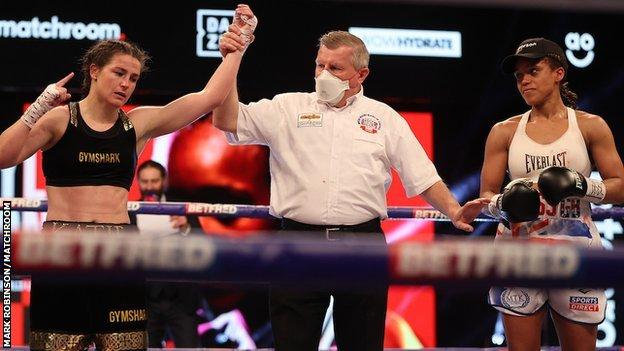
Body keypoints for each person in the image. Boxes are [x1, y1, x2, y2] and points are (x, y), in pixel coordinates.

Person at [215, 10, 488, 350]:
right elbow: (226, 120)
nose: (323, 74)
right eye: (319, 65)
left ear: (361, 75)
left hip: (363, 244)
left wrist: (454, 211)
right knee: (292, 345)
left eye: (335, 68)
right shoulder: (287, 108)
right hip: (298, 242)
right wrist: (232, 58)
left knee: (362, 345)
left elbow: (422, 175)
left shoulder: (385, 118)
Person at [0, 4, 255, 350]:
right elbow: (5, 156)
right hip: (62, 249)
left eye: (133, 78)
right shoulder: (59, 120)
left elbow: (209, 98)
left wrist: (237, 49)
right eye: (119, 73)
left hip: (119, 250)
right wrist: (39, 108)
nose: (126, 84)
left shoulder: (137, 124)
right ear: (93, 70)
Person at [481, 37, 624, 350]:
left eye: (533, 70)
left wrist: (582, 185)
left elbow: (620, 186)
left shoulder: (590, 127)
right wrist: (504, 203)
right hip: (519, 253)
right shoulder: (503, 131)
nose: (525, 81)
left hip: (576, 252)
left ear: (558, 73)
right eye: (519, 76)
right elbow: (486, 197)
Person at [133, 160, 201, 348]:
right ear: (138, 182)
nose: (149, 187)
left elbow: (204, 243)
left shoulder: (182, 207)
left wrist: (186, 226)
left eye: (154, 181)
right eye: (145, 182)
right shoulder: (130, 211)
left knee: (189, 347)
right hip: (146, 298)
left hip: (181, 296)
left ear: (164, 180)